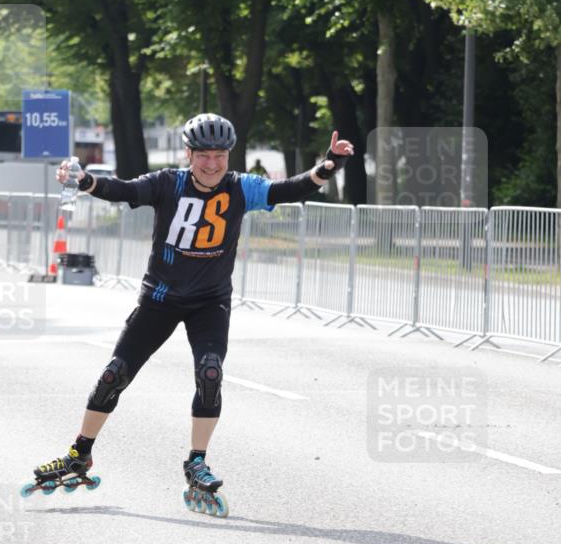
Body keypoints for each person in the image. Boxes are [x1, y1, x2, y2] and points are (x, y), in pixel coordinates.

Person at [29, 113, 354, 508]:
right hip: (160, 299)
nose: (213, 164)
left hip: (209, 302)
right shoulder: (168, 183)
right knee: (115, 373)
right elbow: (123, 190)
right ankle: (80, 453)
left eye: (219, 155)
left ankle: (197, 462)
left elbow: (290, 190)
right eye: (204, 156)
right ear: (189, 154)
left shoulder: (242, 188)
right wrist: (84, 181)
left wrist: (329, 164)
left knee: (210, 372)